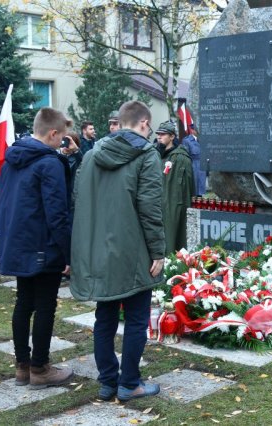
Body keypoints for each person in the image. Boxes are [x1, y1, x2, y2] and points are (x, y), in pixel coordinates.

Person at [71, 101, 165, 402]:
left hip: (99, 248)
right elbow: (150, 207)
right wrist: (158, 252)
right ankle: (129, 383)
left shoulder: (91, 155)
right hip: (132, 250)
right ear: (143, 123)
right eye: (149, 126)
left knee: (105, 316)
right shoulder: (147, 154)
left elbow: (78, 199)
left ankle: (108, 381)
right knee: (136, 318)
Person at [0, 107, 74, 389]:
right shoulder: (49, 164)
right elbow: (57, 214)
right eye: (62, 136)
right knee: (44, 306)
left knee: (24, 303)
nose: (63, 141)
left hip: (19, 242)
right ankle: (39, 368)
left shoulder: (12, 159)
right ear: (53, 134)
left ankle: (22, 367)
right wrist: (69, 253)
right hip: (43, 245)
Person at [156, 121, 194, 255]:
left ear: (172, 136)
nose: (159, 137)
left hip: (171, 206)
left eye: (163, 134)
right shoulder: (155, 155)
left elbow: (187, 190)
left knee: (171, 238)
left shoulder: (181, 158)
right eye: (158, 134)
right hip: (155, 205)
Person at [180, 124, 206, 196]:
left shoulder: (203, 139)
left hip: (202, 164)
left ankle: (200, 197)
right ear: (192, 130)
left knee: (201, 185)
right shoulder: (187, 140)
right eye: (197, 130)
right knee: (193, 185)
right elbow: (185, 154)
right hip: (192, 164)